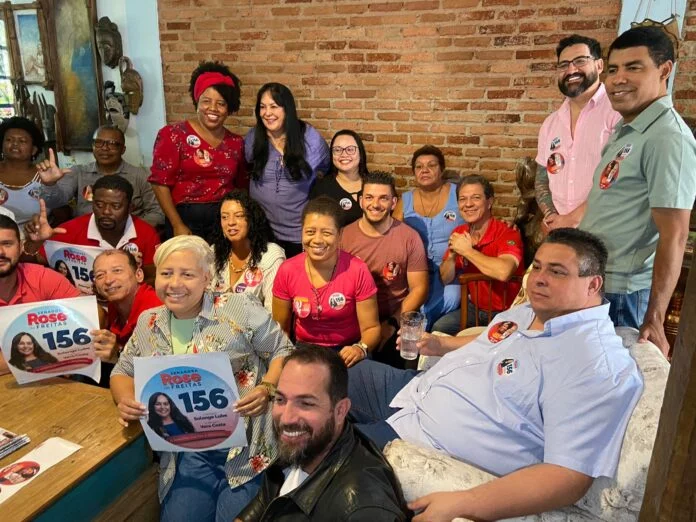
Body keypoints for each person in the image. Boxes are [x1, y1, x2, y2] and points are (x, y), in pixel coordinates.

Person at [347, 228, 643, 521]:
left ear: (593, 285)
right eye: (537, 266)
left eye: (557, 272)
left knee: (331, 447)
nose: (538, 279)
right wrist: (443, 344)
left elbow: (568, 476)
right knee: (337, 375)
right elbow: (489, 340)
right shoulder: (532, 310)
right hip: (415, 390)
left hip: (423, 434)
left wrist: (464, 503)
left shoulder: (591, 364)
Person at [111, 235, 293, 521]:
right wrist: (125, 400)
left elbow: (283, 350)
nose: (175, 284)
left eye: (187, 274)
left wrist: (267, 387)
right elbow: (122, 371)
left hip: (249, 449)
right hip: (188, 453)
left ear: (207, 278)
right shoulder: (148, 322)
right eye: (166, 273)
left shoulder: (239, 308)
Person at [579, 26, 696, 355]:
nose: (617, 79)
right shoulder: (627, 127)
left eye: (634, 67)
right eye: (612, 69)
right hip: (596, 283)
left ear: (664, 70)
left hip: (621, 293)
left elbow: (674, 234)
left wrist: (655, 317)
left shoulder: (668, 137)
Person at [236, 346, 410, 522]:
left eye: (306, 404)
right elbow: (265, 502)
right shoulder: (304, 445)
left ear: (340, 410)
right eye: (280, 399)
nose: (286, 418)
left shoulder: (362, 509)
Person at [272, 197, 380, 368]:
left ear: (339, 235)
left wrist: (360, 348)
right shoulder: (287, 270)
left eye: (327, 233)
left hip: (347, 352)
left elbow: (372, 329)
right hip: (304, 351)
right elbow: (281, 331)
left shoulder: (357, 269)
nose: (317, 240)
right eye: (310, 232)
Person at [149, 61, 247, 241]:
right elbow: (159, 184)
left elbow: (240, 187)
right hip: (184, 219)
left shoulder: (236, 143)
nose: (213, 109)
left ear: (229, 108)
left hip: (224, 222)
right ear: (196, 101)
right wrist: (177, 224)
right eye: (206, 101)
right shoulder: (173, 135)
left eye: (221, 103)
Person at [340, 171, 428, 367]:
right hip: (353, 321)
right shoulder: (343, 237)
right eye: (369, 197)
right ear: (360, 200)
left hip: (395, 320)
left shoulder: (409, 237)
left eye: (383, 198)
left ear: (393, 203)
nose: (376, 204)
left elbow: (419, 289)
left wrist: (392, 324)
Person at [535, 35, 621, 231]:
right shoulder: (551, 124)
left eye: (580, 61)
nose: (571, 70)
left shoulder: (617, 112)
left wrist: (574, 218)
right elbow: (541, 177)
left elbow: (621, 178)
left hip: (606, 231)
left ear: (599, 66)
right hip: (561, 231)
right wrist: (551, 216)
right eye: (563, 65)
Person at [246, 83, 330, 257]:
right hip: (261, 233)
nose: (267, 113)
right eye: (262, 107)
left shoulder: (309, 138)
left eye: (274, 106)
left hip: (298, 234)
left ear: (287, 109)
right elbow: (247, 165)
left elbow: (326, 169)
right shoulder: (254, 137)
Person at [434, 175, 525, 334]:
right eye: (462, 199)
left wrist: (467, 251)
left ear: (489, 202)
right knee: (439, 329)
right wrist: (452, 256)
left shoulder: (508, 232)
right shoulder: (459, 232)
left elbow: (503, 272)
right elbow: (445, 278)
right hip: (473, 309)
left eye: (476, 198)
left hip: (506, 312)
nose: (468, 204)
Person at [24, 176, 160, 282]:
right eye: (99, 204)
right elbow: (31, 264)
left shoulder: (145, 232)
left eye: (116, 206)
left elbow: (153, 277)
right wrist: (35, 243)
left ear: (131, 207)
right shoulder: (68, 231)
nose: (106, 211)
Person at [393, 145, 464, 330]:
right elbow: (391, 236)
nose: (425, 170)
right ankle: (417, 336)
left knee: (451, 298)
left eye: (431, 165)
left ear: (441, 170)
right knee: (411, 300)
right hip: (414, 273)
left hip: (451, 270)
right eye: (419, 166)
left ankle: (422, 330)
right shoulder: (405, 200)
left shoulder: (457, 194)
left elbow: (477, 218)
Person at [0, 215, 80, 375]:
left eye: (7, 244)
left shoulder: (42, 277)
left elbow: (91, 316)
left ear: (21, 246)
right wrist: (45, 355)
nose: (0, 252)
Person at [39, 125, 164, 227]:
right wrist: (50, 184)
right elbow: (55, 202)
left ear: (123, 149)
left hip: (127, 239)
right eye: (99, 142)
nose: (105, 148)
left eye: (112, 144)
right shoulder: (79, 172)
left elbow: (157, 213)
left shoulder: (140, 176)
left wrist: (130, 229)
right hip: (85, 237)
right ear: (93, 146)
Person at [89, 249, 162, 384]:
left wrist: (117, 355)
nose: (109, 280)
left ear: (138, 275)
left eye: (117, 270)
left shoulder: (155, 311)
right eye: (100, 275)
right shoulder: (114, 304)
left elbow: (157, 371)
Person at [210, 190, 285, 312]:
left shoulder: (270, 255)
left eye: (239, 216)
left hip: (255, 329)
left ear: (251, 220)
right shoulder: (214, 252)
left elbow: (273, 314)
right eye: (224, 217)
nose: (231, 222)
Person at [309, 130, 369, 227]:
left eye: (350, 149)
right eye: (337, 150)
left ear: (360, 153)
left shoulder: (375, 184)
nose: (344, 154)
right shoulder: (322, 188)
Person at [0, 117, 46, 229]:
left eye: (22, 141)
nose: (15, 144)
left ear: (34, 149)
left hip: (35, 241)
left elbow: (60, 212)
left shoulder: (45, 176)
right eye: (9, 140)